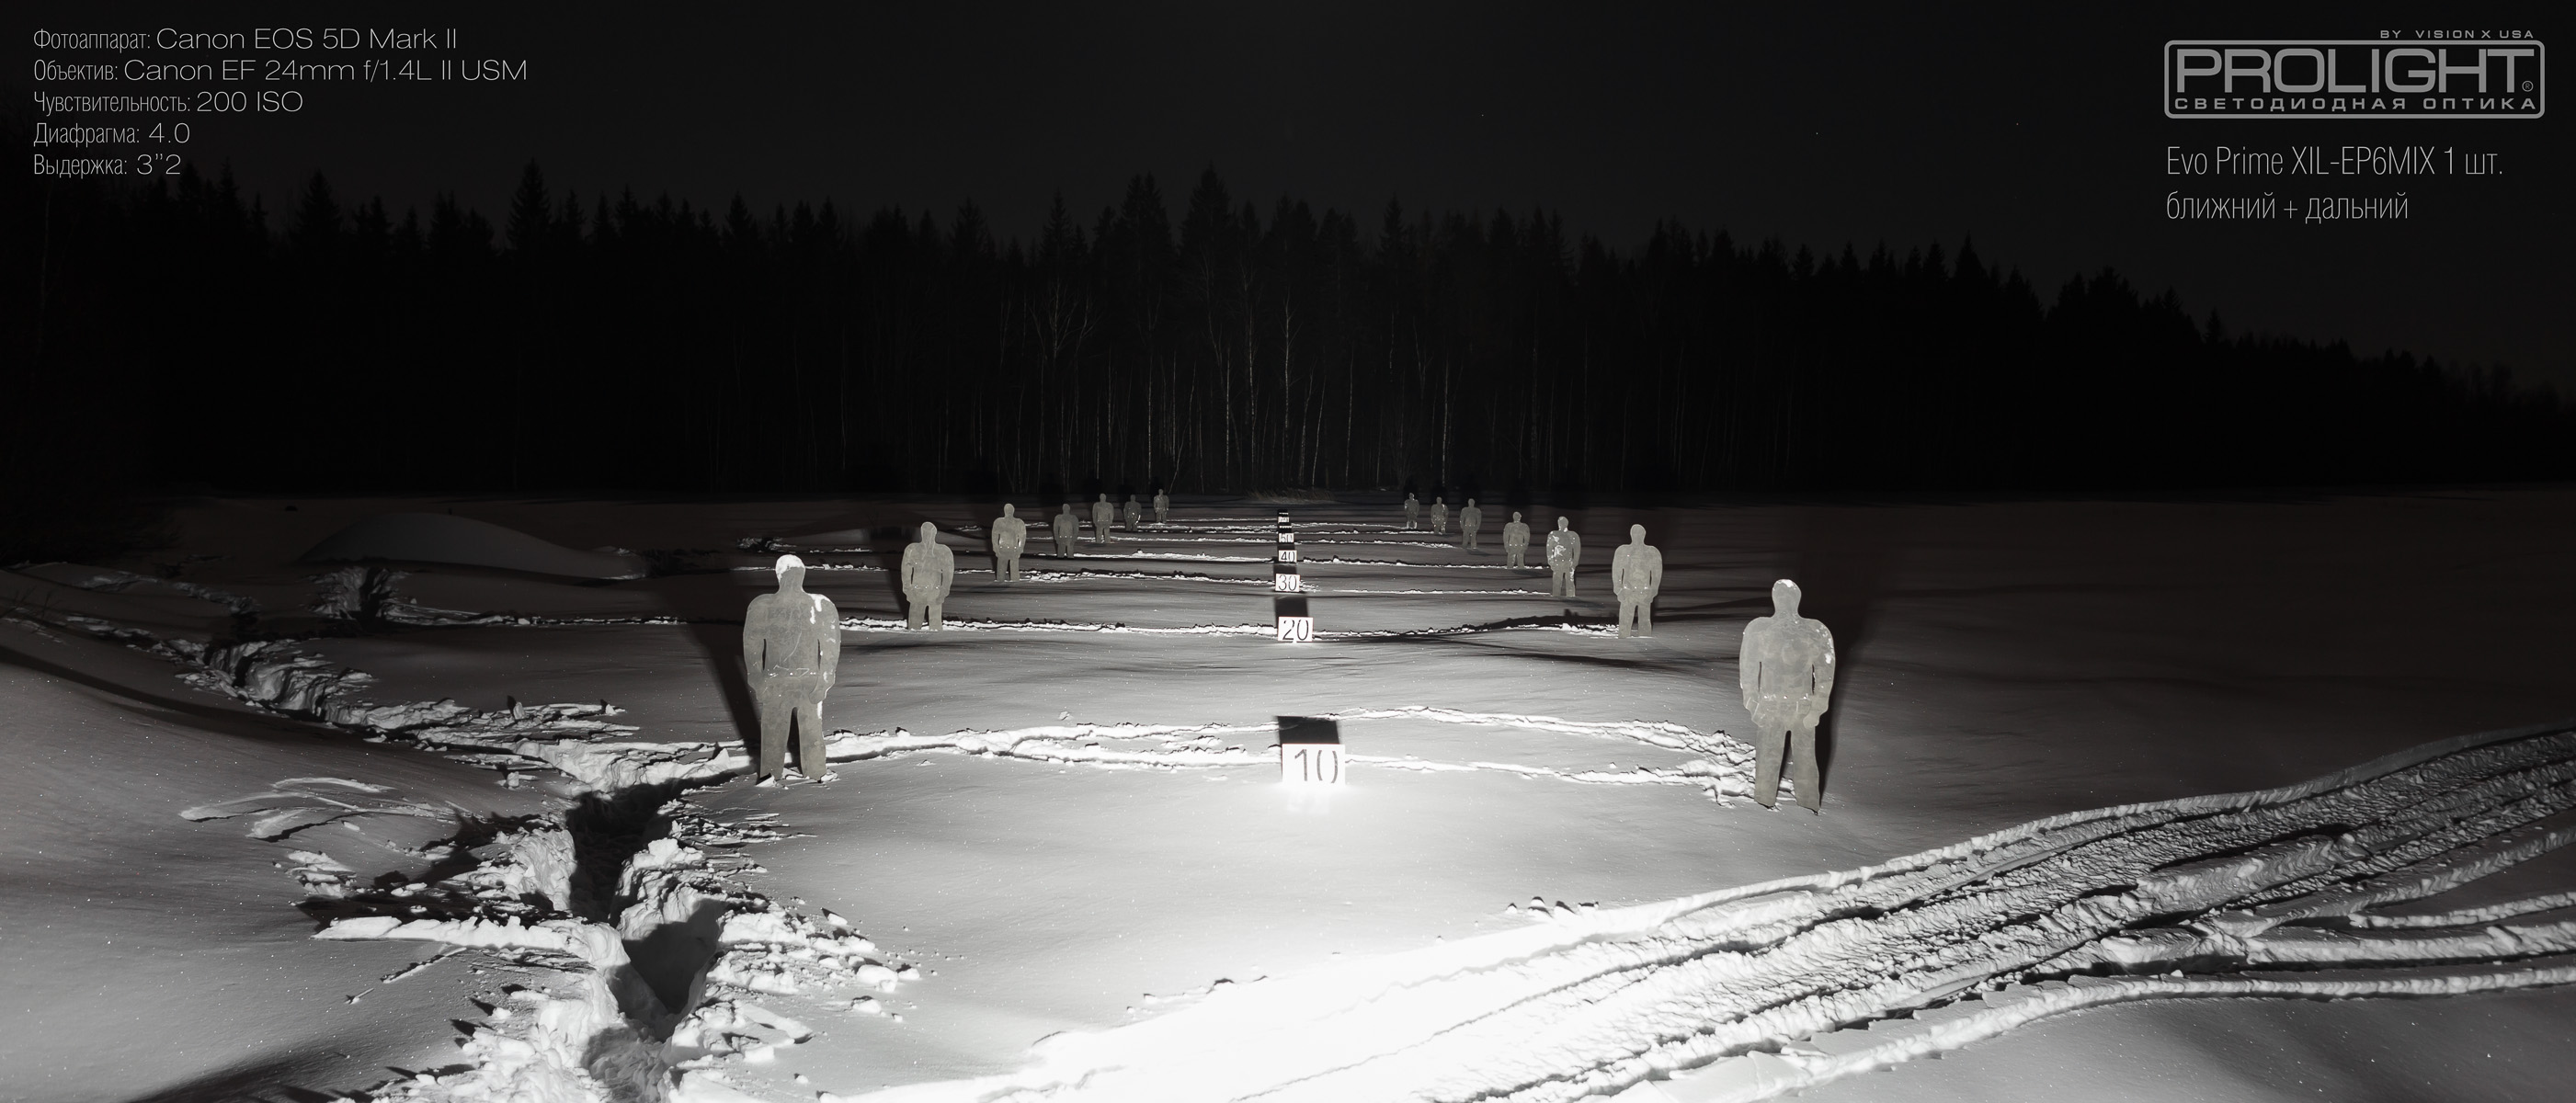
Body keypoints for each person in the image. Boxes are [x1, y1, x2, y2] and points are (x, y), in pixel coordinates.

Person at [1740, 579, 1835, 812]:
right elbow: (1748, 671)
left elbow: (1825, 673)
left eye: (1787, 596)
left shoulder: (1814, 630)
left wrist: (1817, 709)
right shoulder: (1761, 630)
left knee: (1804, 763)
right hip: (1773, 708)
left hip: (1799, 708)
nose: (1784, 601)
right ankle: (1765, 807)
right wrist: (1753, 705)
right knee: (1770, 761)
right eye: (1780, 596)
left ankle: (1807, 808)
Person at [742, 554, 838, 781]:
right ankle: (778, 776)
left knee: (804, 733)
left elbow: (830, 646)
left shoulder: (818, 605)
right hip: (785, 681)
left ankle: (810, 774)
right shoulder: (766, 605)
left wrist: (825, 681)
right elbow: (752, 645)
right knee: (780, 734)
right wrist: (757, 679)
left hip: (798, 681)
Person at [1610, 524, 1663, 637]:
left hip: (1644, 592)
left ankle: (1644, 640)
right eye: (1635, 533)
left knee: (1644, 622)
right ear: (1631, 534)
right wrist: (1618, 589)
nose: (1637, 536)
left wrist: (1653, 591)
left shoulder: (1651, 552)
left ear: (1644, 535)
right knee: (1625, 623)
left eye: (1640, 533)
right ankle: (1624, 641)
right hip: (1627, 592)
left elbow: (1657, 574)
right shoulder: (1623, 551)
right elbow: (1616, 571)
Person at [901, 521, 955, 630]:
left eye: (930, 533)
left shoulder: (943, 551)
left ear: (935, 533)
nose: (928, 536)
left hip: (935, 592)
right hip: (917, 592)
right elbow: (905, 571)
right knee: (914, 627)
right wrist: (908, 590)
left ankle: (934, 639)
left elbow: (948, 573)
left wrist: (944, 592)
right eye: (925, 532)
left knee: (935, 626)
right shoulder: (912, 550)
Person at [1544, 517, 1582, 597]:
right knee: (1557, 582)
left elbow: (1577, 550)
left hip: (1568, 562)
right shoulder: (1554, 535)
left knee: (1569, 582)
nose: (1561, 524)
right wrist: (1551, 561)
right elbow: (1549, 549)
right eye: (1560, 523)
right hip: (1558, 561)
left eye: (1563, 523)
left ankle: (1570, 597)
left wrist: (1575, 562)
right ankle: (1557, 597)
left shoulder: (1572, 535)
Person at [990, 503, 1028, 582]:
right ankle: (1004, 582)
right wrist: (996, 548)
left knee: (1012, 572)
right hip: (1005, 549)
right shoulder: (1000, 522)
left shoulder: (1017, 522)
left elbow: (1022, 537)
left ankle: (1010, 582)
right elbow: (994, 536)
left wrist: (1020, 549)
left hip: (1011, 549)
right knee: (1003, 572)